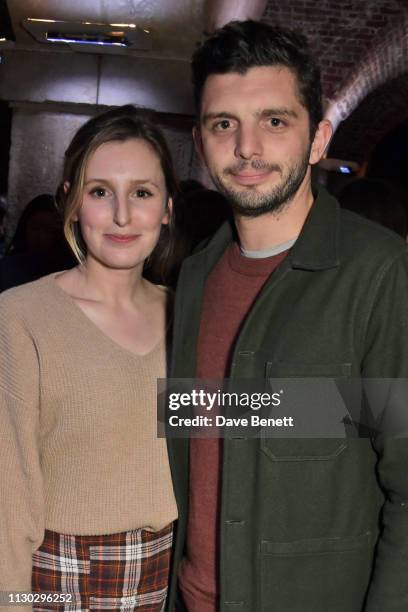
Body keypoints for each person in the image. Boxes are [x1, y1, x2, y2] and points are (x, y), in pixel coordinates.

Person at [166, 21, 408, 612]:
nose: (248, 148)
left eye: (274, 121)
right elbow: (201, 434)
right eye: (225, 124)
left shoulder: (378, 273)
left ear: (318, 138)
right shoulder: (194, 277)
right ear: (200, 141)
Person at [0, 105, 178, 611]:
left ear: (167, 207)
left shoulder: (187, 313)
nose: (123, 215)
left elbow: (245, 415)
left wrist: (379, 409)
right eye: (100, 192)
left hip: (168, 576)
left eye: (142, 193)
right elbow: (6, 502)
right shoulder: (20, 317)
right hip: (57, 581)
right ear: (71, 202)